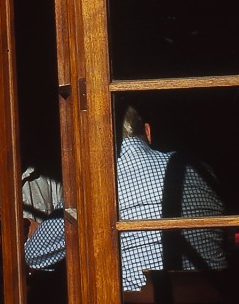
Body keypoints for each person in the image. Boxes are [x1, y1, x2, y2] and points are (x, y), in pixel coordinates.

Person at [20, 104, 224, 288]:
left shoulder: (98, 181)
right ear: (147, 131)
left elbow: (34, 255)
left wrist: (43, 234)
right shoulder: (201, 168)